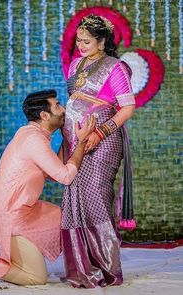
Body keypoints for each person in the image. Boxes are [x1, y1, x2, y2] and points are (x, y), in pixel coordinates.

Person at [0, 89, 96, 285]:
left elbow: (53, 172)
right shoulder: (33, 139)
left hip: (27, 212)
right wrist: (81, 142)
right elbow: (65, 176)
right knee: (36, 278)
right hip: (10, 217)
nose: (63, 109)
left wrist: (68, 139)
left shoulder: (33, 135)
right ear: (44, 115)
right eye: (57, 106)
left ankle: (85, 269)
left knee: (68, 218)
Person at [61, 15, 136, 288]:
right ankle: (83, 267)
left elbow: (127, 107)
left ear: (102, 41)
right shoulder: (74, 66)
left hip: (104, 138)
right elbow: (73, 103)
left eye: (87, 41)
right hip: (76, 139)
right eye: (79, 40)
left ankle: (107, 268)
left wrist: (99, 132)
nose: (81, 45)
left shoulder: (115, 68)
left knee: (95, 196)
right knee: (74, 198)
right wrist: (69, 140)